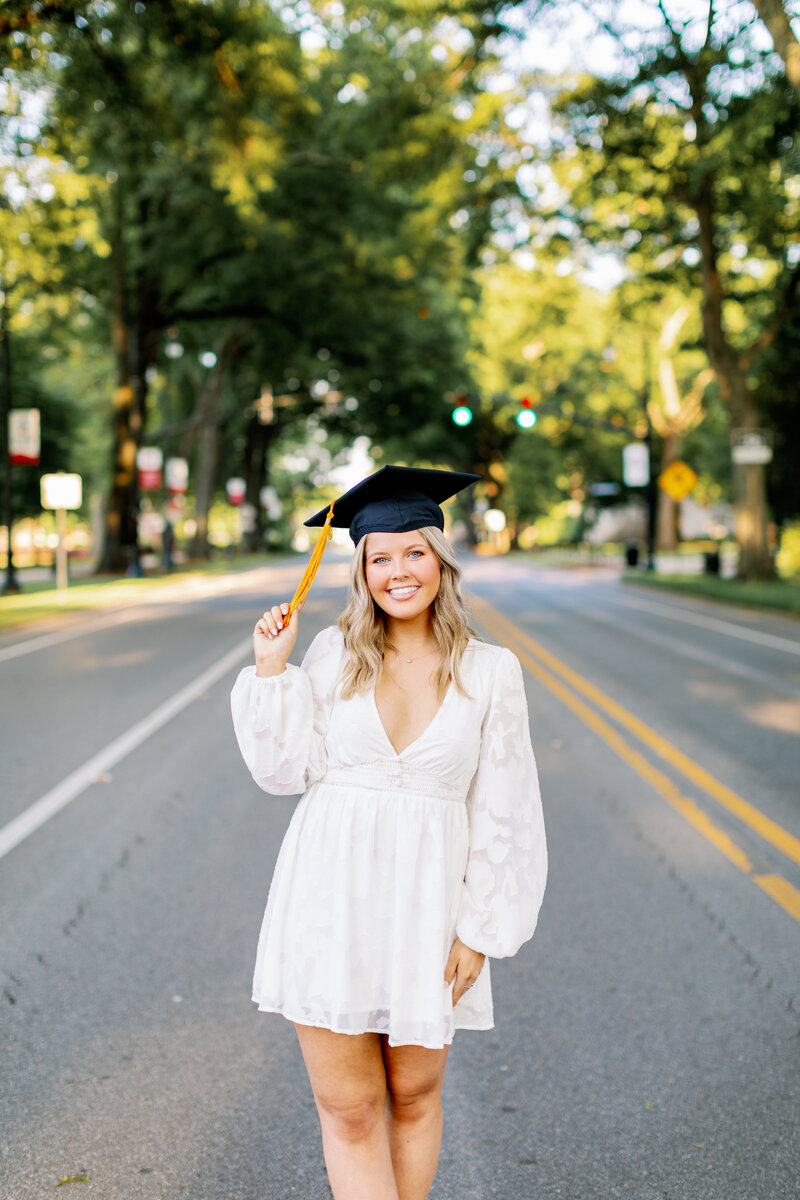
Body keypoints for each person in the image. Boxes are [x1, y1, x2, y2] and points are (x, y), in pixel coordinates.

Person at [231, 465, 547, 1200]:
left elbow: (506, 808)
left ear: (441, 558)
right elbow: (284, 771)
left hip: (429, 913)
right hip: (329, 899)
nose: (399, 571)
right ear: (361, 569)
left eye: (415, 551)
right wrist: (271, 672)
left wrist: (478, 930)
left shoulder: (492, 672)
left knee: (411, 1097)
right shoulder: (335, 656)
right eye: (381, 556)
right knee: (348, 1108)